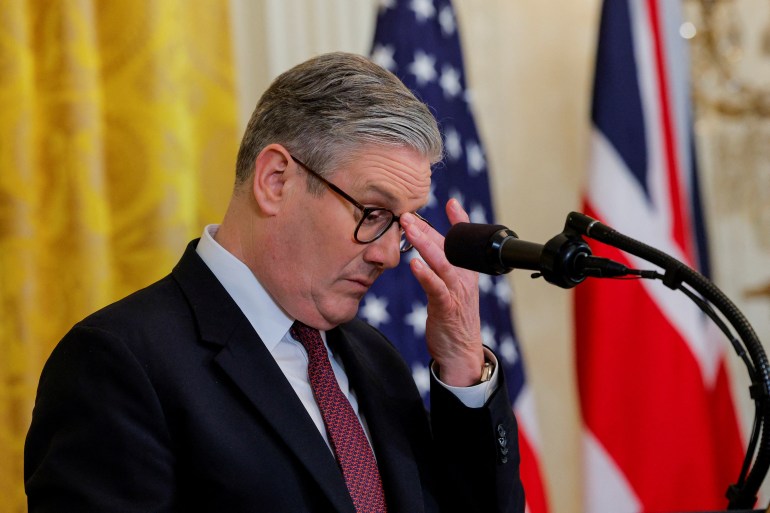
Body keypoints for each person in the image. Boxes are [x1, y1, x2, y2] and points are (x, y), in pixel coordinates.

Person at [25, 52, 525, 513]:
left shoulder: (375, 358)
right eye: (373, 213)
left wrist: (462, 360)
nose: (388, 254)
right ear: (276, 180)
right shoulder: (119, 362)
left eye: (404, 225)